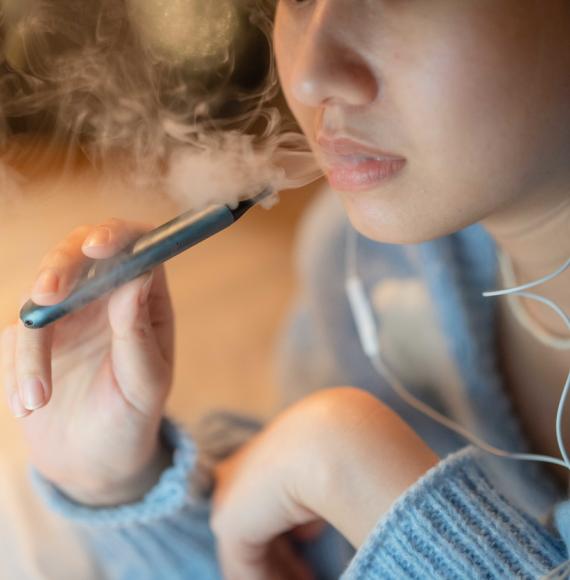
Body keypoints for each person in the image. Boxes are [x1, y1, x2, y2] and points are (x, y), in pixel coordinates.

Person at [2, 0, 570, 578]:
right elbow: (287, 558)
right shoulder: (368, 268)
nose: (307, 74)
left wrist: (366, 480)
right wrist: (116, 483)